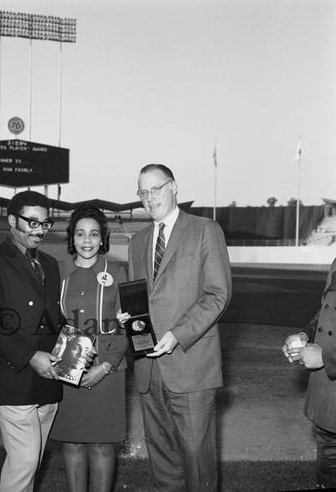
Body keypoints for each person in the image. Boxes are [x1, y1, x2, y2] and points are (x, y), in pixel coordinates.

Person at [127, 164, 232, 491]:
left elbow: (218, 294)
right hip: (149, 369)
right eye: (143, 192)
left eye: (155, 189)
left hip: (191, 366)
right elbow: (138, 301)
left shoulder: (204, 229)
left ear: (174, 187)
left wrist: (178, 334)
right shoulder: (138, 240)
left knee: (197, 462)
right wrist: (128, 319)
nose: (149, 198)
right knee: (163, 464)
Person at [0, 191, 62, 492]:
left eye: (45, 223)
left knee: (30, 462)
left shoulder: (49, 263)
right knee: (24, 462)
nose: (39, 230)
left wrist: (73, 344)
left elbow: (52, 318)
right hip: (13, 375)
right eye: (32, 222)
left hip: (47, 378)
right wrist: (32, 356)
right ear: (11, 220)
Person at [50, 204, 128, 492]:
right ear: (71, 238)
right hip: (67, 371)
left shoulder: (118, 272)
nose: (86, 240)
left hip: (108, 371)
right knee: (71, 443)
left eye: (94, 234)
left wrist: (104, 366)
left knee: (101, 446)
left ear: (102, 238)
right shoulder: (57, 273)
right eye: (80, 234)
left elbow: (130, 326)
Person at [283, 257, 336, 488]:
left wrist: (325, 357)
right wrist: (305, 335)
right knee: (327, 473)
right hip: (329, 402)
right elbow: (326, 311)